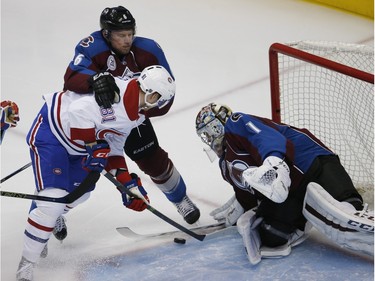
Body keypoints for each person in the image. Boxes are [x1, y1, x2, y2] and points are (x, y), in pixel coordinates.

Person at [16, 65, 175, 281]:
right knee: (53, 201)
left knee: (81, 194)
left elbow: (115, 148)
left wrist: (128, 186)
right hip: (52, 133)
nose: (159, 106)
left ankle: (46, 215)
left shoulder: (135, 115)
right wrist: (92, 145)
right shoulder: (114, 94)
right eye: (160, 100)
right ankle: (26, 265)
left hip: (78, 147)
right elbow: (77, 111)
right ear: (152, 94)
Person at [62, 6, 200, 227]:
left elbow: (167, 90)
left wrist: (139, 111)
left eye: (130, 34)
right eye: (121, 35)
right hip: (96, 119)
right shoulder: (91, 46)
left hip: (135, 117)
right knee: (82, 169)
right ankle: (57, 210)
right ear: (106, 33)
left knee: (154, 161)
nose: (127, 40)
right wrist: (94, 80)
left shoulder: (148, 49)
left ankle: (180, 199)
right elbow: (71, 79)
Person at [195, 102, 374, 265]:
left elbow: (266, 138)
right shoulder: (225, 168)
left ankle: (347, 212)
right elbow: (251, 194)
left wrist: (274, 161)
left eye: (207, 131)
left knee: (347, 213)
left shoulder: (236, 124)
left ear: (218, 123)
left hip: (310, 162)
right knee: (271, 235)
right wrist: (243, 205)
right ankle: (306, 217)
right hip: (290, 192)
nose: (208, 138)